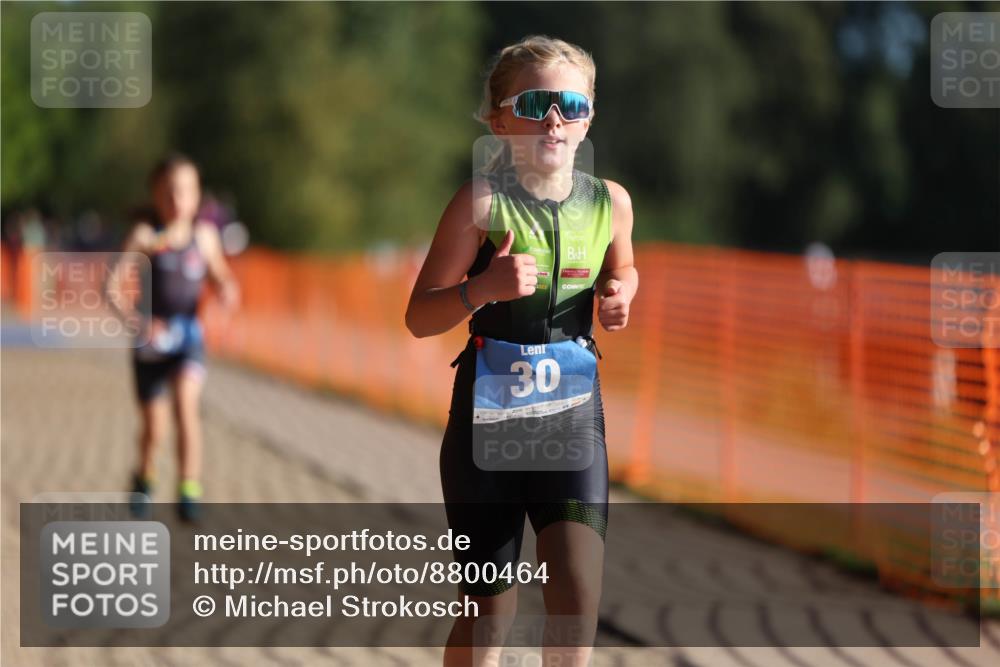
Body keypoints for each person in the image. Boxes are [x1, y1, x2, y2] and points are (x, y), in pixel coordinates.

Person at [406, 36, 637, 667]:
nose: (555, 119)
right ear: (500, 118)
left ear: (590, 115)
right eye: (536, 103)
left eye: (571, 104)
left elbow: (626, 269)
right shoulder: (479, 202)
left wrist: (621, 295)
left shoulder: (610, 202)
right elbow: (418, 316)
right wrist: (480, 289)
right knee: (490, 611)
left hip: (571, 417)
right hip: (489, 423)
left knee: (577, 590)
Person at [108, 154, 239, 521]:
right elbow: (111, 287)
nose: (176, 199)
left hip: (188, 337)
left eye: (184, 191)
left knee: (186, 404)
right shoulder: (144, 236)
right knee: (154, 427)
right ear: (155, 195)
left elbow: (222, 277)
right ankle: (144, 476)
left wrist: (228, 289)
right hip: (151, 342)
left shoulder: (205, 237)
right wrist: (137, 323)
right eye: (168, 192)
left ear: (197, 196)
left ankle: (188, 487)